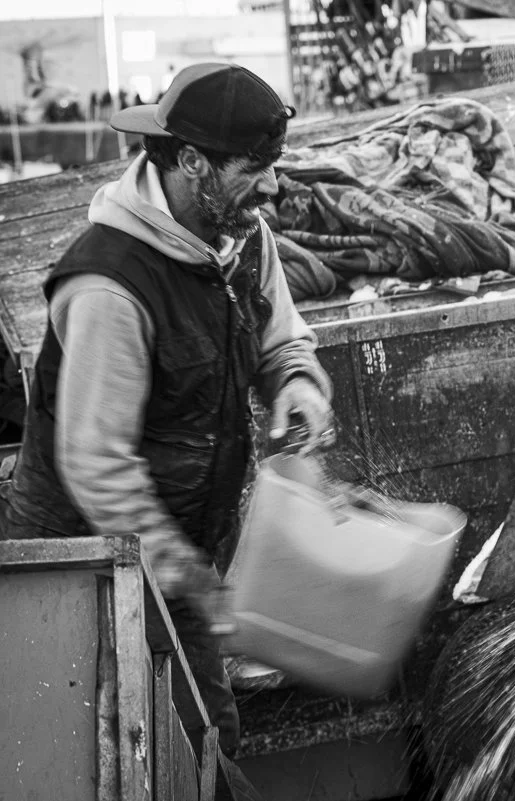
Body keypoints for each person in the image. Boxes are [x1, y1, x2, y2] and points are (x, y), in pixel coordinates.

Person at [0, 63, 333, 799]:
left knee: (208, 738)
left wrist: (299, 387)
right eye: (256, 168)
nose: (274, 188)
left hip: (178, 558)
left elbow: (283, 339)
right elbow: (96, 466)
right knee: (95, 765)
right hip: (75, 571)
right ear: (191, 164)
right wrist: (189, 576)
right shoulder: (111, 285)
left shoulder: (243, 237)